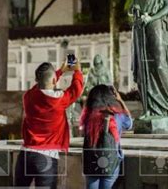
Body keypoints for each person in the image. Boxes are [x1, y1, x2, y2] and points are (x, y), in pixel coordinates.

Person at [14, 58, 84, 189]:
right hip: (46, 157)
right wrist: (77, 71)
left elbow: (41, 85)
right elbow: (76, 89)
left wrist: (60, 71)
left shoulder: (28, 96)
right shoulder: (59, 99)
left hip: (25, 155)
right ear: (53, 81)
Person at [80, 85, 132, 189]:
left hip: (91, 161)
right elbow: (129, 124)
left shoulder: (87, 117)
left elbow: (82, 132)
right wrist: (120, 101)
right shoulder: (117, 116)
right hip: (111, 161)